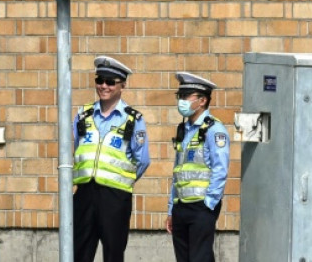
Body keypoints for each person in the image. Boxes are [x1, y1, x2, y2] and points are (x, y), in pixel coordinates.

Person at [72, 56, 151, 262]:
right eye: (99, 80)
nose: (103, 86)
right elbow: (76, 150)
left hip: (115, 198)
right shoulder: (83, 115)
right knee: (79, 253)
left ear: (122, 85)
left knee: (113, 255)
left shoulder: (133, 119)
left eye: (110, 82)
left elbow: (142, 160)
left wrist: (122, 180)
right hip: (84, 194)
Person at [165, 72, 230, 262]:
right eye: (180, 96)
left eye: (186, 96)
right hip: (181, 208)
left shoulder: (214, 130)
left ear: (202, 101)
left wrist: (209, 204)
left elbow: (220, 170)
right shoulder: (183, 130)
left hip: (202, 208)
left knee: (200, 258)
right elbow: (178, 173)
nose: (181, 101)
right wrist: (171, 209)